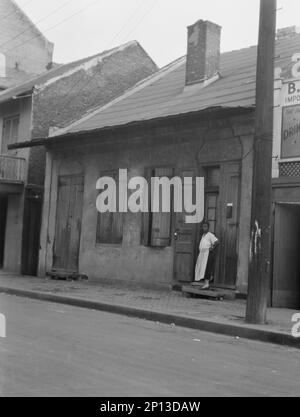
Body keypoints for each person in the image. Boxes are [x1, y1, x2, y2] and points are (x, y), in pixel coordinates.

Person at [194, 221, 219, 289]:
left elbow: (217, 242)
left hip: (207, 254)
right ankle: (206, 282)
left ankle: (207, 283)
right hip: (202, 254)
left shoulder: (210, 235)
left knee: (207, 268)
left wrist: (212, 247)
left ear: (208, 227)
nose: (204, 228)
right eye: (203, 226)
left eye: (205, 227)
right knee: (202, 268)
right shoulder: (203, 235)